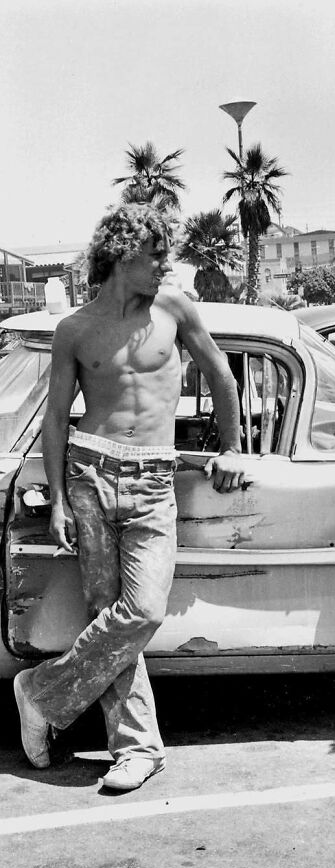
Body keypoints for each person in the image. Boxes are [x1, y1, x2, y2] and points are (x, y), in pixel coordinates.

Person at [13, 203, 245, 792]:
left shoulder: (173, 308)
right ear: (122, 254)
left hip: (152, 480)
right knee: (106, 613)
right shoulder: (75, 328)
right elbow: (57, 417)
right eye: (155, 254)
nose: (165, 265)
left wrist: (233, 448)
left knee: (139, 612)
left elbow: (221, 372)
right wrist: (61, 498)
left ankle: (41, 692)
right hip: (92, 474)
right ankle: (136, 749)